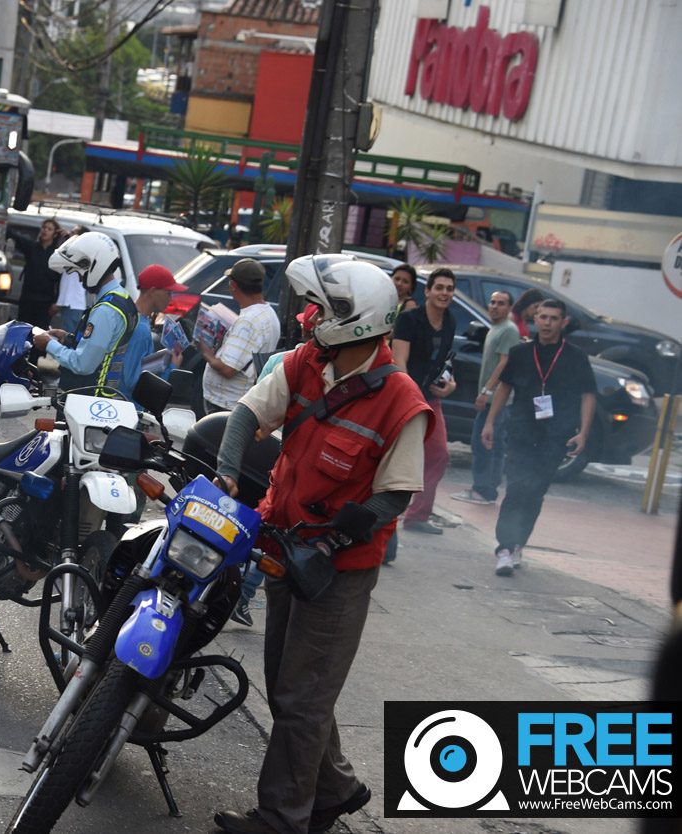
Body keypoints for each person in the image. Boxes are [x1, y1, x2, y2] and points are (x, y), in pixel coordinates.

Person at [212, 254, 432, 834]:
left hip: (338, 572)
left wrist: (335, 540)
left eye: (321, 310)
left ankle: (283, 818)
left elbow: (395, 496)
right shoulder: (308, 360)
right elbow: (246, 413)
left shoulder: (402, 402)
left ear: (353, 321)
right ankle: (335, 788)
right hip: (284, 546)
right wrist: (228, 472)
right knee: (297, 687)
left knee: (302, 697)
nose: (308, 318)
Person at [483, 299, 595, 576]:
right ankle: (505, 548)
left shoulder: (576, 357)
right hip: (522, 430)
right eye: (543, 317)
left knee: (535, 492)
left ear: (562, 323)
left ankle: (519, 542)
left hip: (556, 435)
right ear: (536, 319)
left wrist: (583, 432)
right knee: (517, 488)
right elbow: (504, 388)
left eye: (553, 318)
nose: (547, 323)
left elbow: (588, 395)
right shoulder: (521, 352)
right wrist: (489, 422)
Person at [230, 302, 322, 627]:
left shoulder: (278, 362)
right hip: (299, 461)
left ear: (303, 328)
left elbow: (255, 408)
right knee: (278, 533)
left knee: (259, 523)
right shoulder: (326, 371)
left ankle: (233, 587)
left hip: (266, 451)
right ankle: (242, 594)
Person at [391, 267, 458, 535]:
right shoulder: (409, 319)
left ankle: (417, 516)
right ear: (428, 291)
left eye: (449, 289)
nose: (444, 293)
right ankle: (379, 514)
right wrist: (409, 398)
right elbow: (399, 362)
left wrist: (450, 384)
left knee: (439, 454)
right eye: (439, 287)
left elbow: (446, 360)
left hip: (431, 398)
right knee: (393, 457)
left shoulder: (450, 320)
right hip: (404, 398)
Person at [35, 232, 138, 396]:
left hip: (88, 400)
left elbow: (83, 364)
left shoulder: (106, 310)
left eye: (80, 273)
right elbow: (105, 345)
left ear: (95, 265)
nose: (81, 280)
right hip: (100, 397)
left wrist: (49, 344)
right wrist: (68, 338)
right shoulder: (122, 298)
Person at [452, 289, 519, 505]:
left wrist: (486, 391)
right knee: (494, 444)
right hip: (494, 399)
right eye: (492, 302)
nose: (494, 306)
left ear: (509, 308)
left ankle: (482, 489)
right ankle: (488, 489)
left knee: (484, 444)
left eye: (501, 303)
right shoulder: (496, 328)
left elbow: (505, 363)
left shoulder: (508, 330)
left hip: (496, 400)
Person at [201, 259, 281, 414]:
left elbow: (227, 369)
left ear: (234, 285)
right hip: (240, 402)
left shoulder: (248, 321)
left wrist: (207, 353)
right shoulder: (268, 313)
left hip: (227, 405)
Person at [118, 263, 187, 402]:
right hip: (131, 408)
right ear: (153, 291)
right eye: (168, 293)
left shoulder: (132, 316)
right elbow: (133, 381)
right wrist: (172, 367)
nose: (171, 298)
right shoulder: (141, 329)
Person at [9, 218, 66, 328]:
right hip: (27, 299)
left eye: (49, 229)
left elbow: (61, 281)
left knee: (40, 333)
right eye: (44, 228)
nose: (45, 231)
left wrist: (56, 302)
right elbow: (14, 236)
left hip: (45, 303)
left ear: (54, 234)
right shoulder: (32, 247)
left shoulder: (57, 254)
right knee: (23, 330)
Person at [54, 224, 90, 333]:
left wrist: (66, 239)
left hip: (73, 304)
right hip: (70, 304)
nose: (70, 235)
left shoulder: (80, 255)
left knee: (69, 338)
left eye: (73, 233)